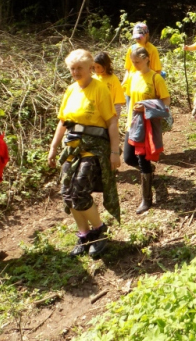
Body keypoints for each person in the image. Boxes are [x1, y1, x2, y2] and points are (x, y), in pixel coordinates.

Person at [48, 50, 121, 258]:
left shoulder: (100, 89)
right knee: (67, 193)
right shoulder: (71, 90)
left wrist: (115, 152)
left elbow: (112, 122)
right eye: (72, 68)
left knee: (80, 191)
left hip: (95, 147)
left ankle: (99, 232)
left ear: (90, 68)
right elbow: (63, 121)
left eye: (79, 68)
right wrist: (53, 147)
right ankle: (84, 235)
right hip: (73, 146)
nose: (75, 72)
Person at [125, 46, 171, 214]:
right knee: (128, 158)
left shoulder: (155, 78)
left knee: (142, 159)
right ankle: (150, 172)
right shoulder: (133, 76)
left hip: (148, 125)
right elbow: (129, 98)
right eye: (132, 62)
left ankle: (146, 199)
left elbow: (166, 101)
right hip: (133, 123)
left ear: (146, 59)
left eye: (137, 62)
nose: (134, 65)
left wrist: (146, 107)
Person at [123, 23, 162, 113]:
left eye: (140, 37)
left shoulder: (152, 50)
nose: (138, 39)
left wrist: (155, 88)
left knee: (144, 115)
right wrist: (123, 83)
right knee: (131, 113)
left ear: (147, 34)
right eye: (136, 37)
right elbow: (128, 70)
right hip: (131, 86)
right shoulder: (131, 49)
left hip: (146, 88)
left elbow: (157, 71)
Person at [93, 52, 126, 118]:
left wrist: (114, 119)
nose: (96, 70)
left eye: (98, 67)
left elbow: (118, 103)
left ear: (105, 66)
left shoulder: (113, 79)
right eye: (94, 67)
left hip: (110, 116)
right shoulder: (93, 79)